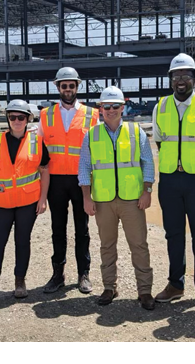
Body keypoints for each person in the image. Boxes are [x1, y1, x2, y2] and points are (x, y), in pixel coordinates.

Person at [152, 53, 195, 311]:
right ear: (171, 79)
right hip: (170, 179)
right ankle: (175, 284)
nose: (180, 80)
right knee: (173, 234)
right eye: (176, 75)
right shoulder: (160, 107)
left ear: (194, 78)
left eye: (185, 75)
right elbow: (160, 141)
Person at [79, 86, 156, 310]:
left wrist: (147, 191)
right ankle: (109, 287)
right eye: (106, 107)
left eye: (115, 106)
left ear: (123, 107)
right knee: (107, 246)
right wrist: (87, 197)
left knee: (139, 245)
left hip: (132, 199)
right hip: (103, 200)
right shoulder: (91, 135)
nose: (111, 110)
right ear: (100, 109)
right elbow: (84, 167)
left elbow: (147, 163)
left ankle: (144, 291)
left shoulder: (136, 132)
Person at [0, 100, 50, 301]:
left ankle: (20, 281)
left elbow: (44, 171)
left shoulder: (37, 142)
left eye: (21, 117)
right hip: (1, 203)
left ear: (28, 119)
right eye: (13, 117)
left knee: (22, 241)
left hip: (27, 202)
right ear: (8, 118)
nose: (17, 121)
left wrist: (43, 199)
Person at [38, 67, 99, 294]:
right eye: (64, 85)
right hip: (55, 181)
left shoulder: (91, 115)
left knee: (82, 229)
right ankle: (57, 274)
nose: (68, 89)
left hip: (81, 180)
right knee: (58, 229)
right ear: (57, 87)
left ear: (77, 86)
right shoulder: (46, 115)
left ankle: (84, 274)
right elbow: (39, 148)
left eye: (71, 85)